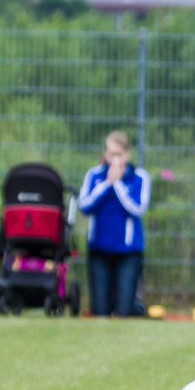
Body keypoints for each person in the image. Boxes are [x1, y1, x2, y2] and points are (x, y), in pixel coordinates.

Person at [79, 131, 150, 317]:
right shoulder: (94, 175)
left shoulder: (140, 178)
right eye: (111, 154)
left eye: (119, 154)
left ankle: (137, 308)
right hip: (99, 251)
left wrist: (118, 185)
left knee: (124, 311)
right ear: (105, 154)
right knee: (100, 311)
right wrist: (106, 184)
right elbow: (85, 206)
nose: (115, 159)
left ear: (127, 154)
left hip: (128, 253)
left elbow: (137, 209)